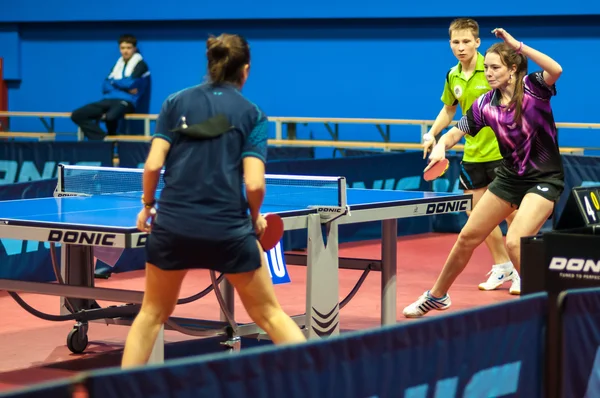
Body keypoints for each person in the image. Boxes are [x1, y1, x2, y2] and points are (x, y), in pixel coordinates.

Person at [121, 33, 306, 368]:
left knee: (150, 315)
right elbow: (254, 183)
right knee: (270, 315)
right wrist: (255, 216)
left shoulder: (174, 103)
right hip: (228, 231)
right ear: (245, 70)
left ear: (210, 65)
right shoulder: (253, 114)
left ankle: (117, 392)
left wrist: (148, 205)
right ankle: (321, 381)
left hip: (173, 225)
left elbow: (152, 164)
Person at [403, 27, 564, 318]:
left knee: (515, 240)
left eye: (494, 67)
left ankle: (546, 303)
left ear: (512, 70)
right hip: (510, 177)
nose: (488, 73)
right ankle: (437, 296)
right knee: (467, 237)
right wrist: (441, 146)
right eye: (486, 67)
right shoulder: (484, 105)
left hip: (544, 178)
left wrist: (519, 45)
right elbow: (457, 130)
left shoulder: (533, 88)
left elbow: (556, 68)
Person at [422, 18, 519, 295]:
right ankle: (503, 266)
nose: (461, 47)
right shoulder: (453, 75)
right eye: (456, 42)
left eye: (466, 41)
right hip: (473, 155)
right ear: (450, 43)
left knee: (512, 216)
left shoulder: (492, 70)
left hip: (502, 153)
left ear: (478, 42)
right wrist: (432, 133)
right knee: (477, 215)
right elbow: (449, 110)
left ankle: (524, 268)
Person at [71, 34, 150, 140]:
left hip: (127, 101)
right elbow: (105, 86)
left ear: (134, 48)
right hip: (108, 100)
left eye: (128, 48)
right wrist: (121, 85)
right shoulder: (117, 65)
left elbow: (131, 84)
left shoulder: (141, 65)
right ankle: (103, 140)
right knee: (77, 115)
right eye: (122, 48)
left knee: (110, 117)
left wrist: (114, 82)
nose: (125, 51)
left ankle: (110, 144)